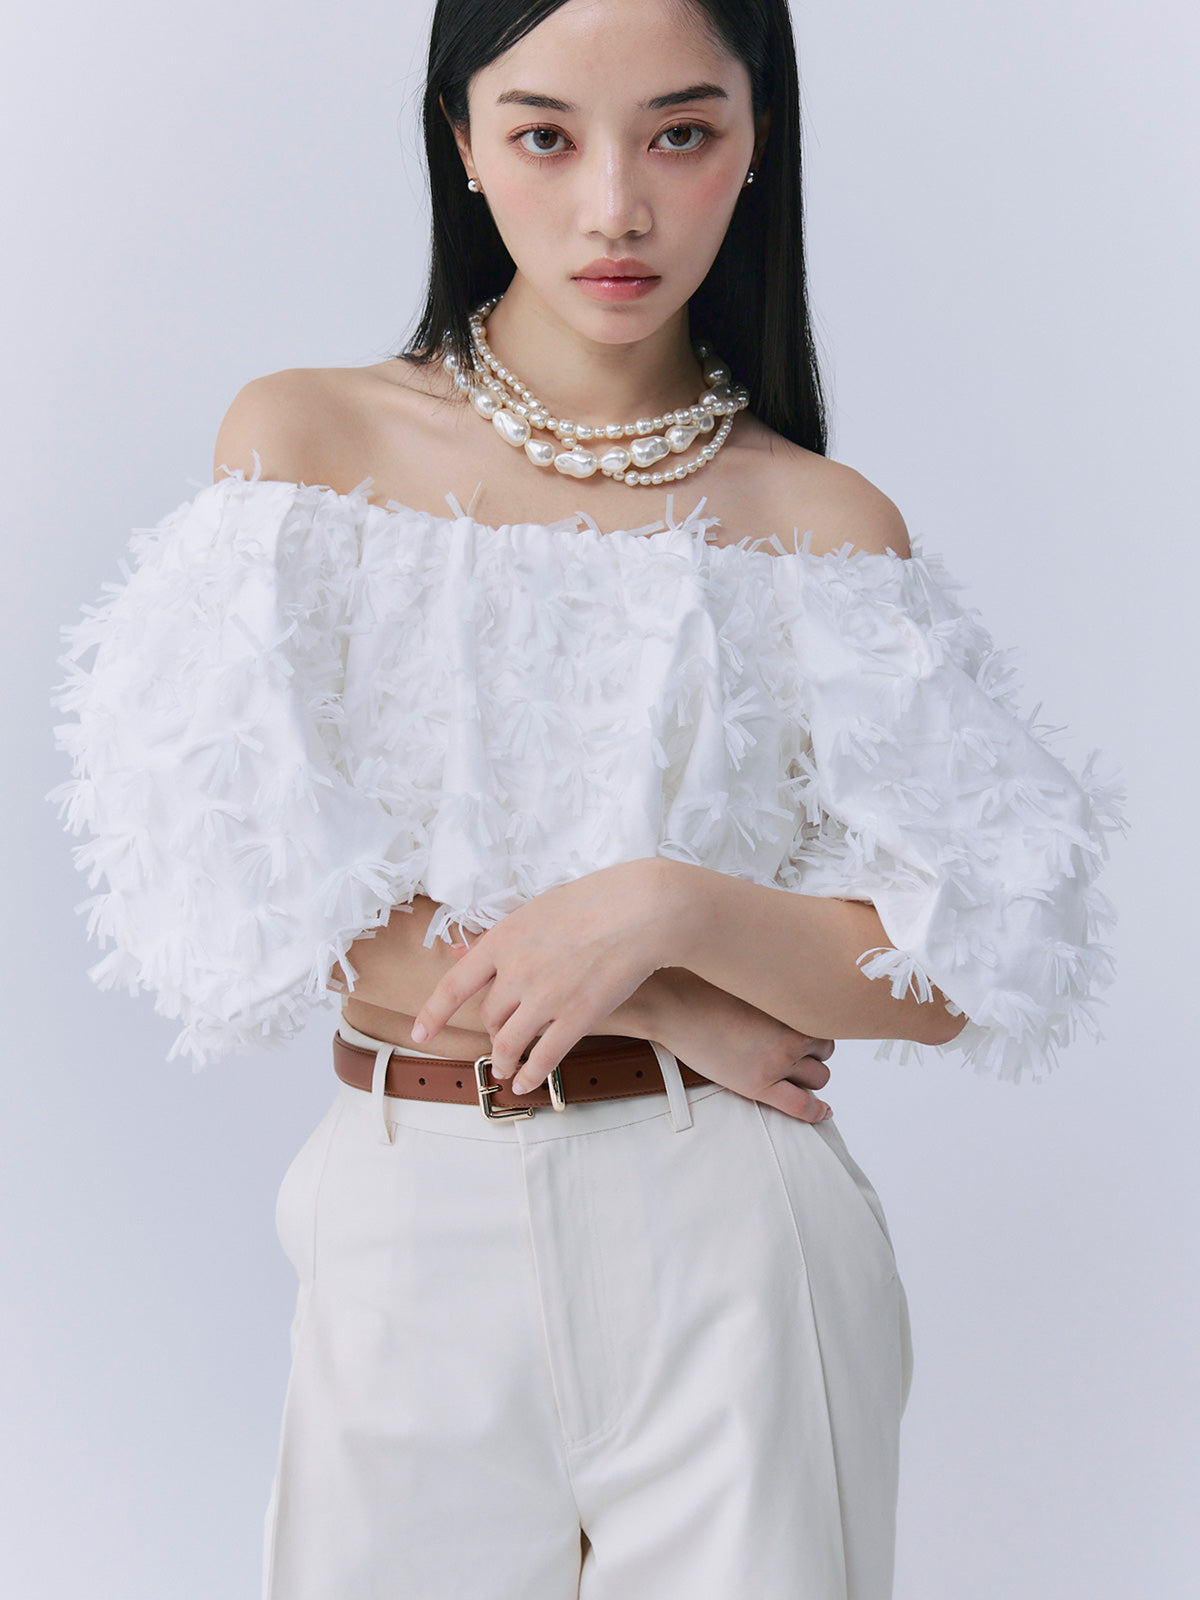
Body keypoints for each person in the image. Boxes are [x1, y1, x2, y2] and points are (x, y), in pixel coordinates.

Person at [46, 1, 1127, 1596]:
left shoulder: (821, 524)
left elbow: (968, 956)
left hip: (739, 1239)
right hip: (408, 1220)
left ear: (756, 145)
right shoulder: (309, 447)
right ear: (463, 142)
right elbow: (237, 890)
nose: (615, 206)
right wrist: (658, 992)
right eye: (546, 135)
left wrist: (668, 909)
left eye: (680, 133)